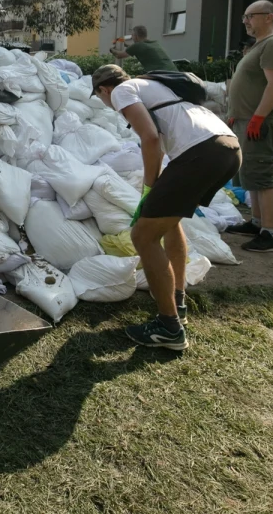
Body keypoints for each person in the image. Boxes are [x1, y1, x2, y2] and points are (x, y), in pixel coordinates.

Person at [92, 64, 240, 350]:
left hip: (202, 152)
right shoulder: (156, 86)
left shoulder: (123, 90)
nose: (105, 102)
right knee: (170, 221)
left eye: (100, 97)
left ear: (104, 89)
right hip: (226, 147)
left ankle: (168, 327)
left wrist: (149, 188)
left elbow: (150, 139)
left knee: (142, 236)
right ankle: (177, 300)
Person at [224, 0, 273, 253]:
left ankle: (270, 235)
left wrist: (257, 118)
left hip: (260, 122)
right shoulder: (261, 45)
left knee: (263, 174)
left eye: (250, 16)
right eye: (245, 17)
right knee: (251, 173)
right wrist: (237, 114)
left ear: (268, 17)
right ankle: (257, 223)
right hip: (247, 120)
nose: (246, 21)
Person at [111, 25, 178, 72]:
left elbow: (119, 55)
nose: (131, 37)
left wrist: (112, 49)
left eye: (132, 35)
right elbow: (136, 48)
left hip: (161, 74)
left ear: (136, 36)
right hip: (173, 72)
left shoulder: (137, 46)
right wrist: (125, 44)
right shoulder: (153, 43)